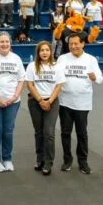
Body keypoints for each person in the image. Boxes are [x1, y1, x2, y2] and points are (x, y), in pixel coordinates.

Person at [56, 34, 102, 174]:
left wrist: (95, 77)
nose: (73, 47)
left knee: (82, 133)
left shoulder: (91, 60)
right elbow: (56, 76)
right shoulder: (62, 58)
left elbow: (100, 78)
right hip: (65, 102)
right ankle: (67, 160)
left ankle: (83, 162)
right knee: (65, 132)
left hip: (83, 103)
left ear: (83, 44)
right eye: (71, 44)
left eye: (76, 44)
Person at [0, 32, 25, 172]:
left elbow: (21, 80)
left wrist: (14, 96)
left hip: (13, 101)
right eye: (1, 42)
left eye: (7, 41)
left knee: (8, 131)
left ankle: (7, 158)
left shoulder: (16, 58)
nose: (4, 44)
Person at [25, 41, 64, 175]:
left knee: (49, 132)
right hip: (35, 101)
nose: (45, 53)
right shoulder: (31, 66)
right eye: (42, 50)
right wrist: (41, 100)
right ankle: (39, 159)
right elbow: (29, 85)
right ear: (38, 52)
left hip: (52, 101)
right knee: (39, 132)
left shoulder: (56, 67)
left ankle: (48, 161)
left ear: (51, 52)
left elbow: (59, 86)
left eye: (47, 50)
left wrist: (49, 101)